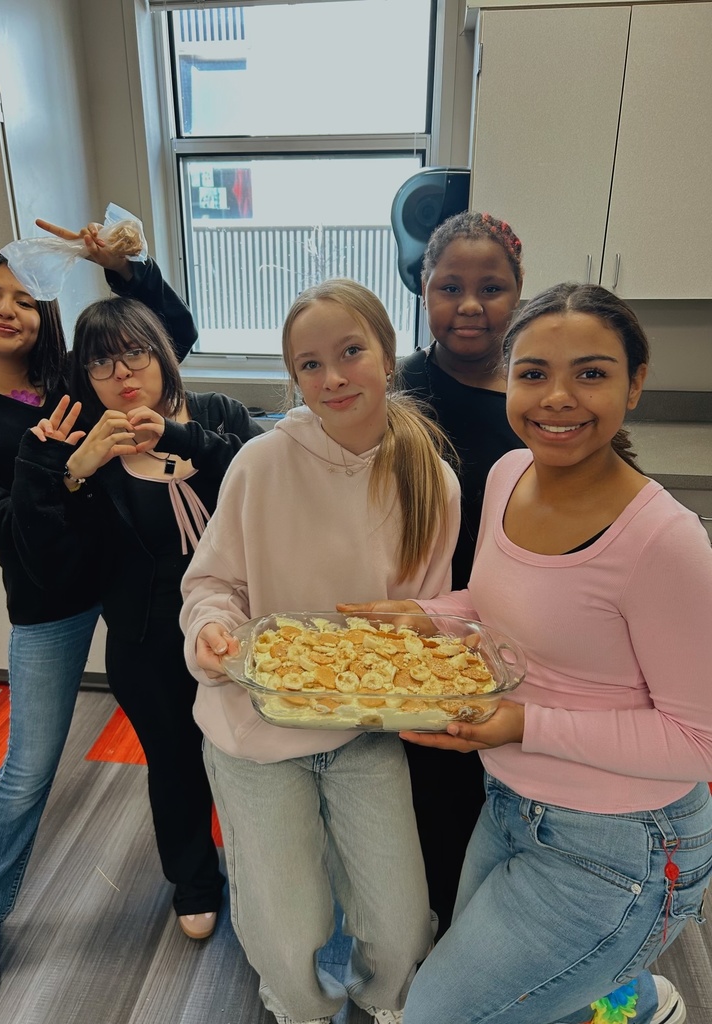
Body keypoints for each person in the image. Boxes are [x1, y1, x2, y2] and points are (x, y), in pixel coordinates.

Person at [342, 282, 712, 1024]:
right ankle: (624, 997)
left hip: (622, 847)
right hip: (511, 804)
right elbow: (500, 612)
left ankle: (628, 989)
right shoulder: (510, 474)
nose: (558, 398)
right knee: (530, 997)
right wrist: (426, 616)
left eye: (593, 373)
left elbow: (696, 741)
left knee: (437, 1014)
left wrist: (522, 723)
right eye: (535, 373)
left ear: (636, 383)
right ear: (509, 378)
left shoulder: (665, 541)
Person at [180, 278, 462, 1024]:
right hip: (255, 727)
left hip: (363, 733)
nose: (332, 378)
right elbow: (212, 584)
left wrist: (422, 654)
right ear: (294, 376)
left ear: (387, 355)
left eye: (350, 353)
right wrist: (210, 629)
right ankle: (299, 1010)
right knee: (289, 927)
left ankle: (384, 1003)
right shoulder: (261, 464)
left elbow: (422, 622)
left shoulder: (431, 481)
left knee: (402, 926)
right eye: (310, 365)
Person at [0, 227, 197, 1011]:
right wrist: (69, 467)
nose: (7, 309)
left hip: (131, 585)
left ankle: (198, 873)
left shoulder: (70, 378)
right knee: (28, 768)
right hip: (49, 603)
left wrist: (123, 267)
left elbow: (169, 339)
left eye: (25, 296)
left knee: (181, 739)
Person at [14, 295, 262, 943]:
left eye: (135, 351)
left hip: (246, 628)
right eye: (101, 363)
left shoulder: (216, 414)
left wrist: (179, 438)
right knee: (175, 763)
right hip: (149, 642)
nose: (123, 372)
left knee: (254, 761)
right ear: (84, 377)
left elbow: (267, 482)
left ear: (161, 351)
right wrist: (70, 472)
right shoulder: (84, 451)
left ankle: (266, 874)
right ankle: (195, 880)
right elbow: (48, 563)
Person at [397, 210, 525, 936]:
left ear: (517, 295)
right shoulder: (395, 392)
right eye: (450, 286)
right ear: (424, 290)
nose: (470, 304)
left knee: (503, 790)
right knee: (431, 789)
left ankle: (497, 936)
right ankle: (436, 932)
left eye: (491, 287)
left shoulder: (537, 398)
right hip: (421, 628)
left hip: (515, 628)